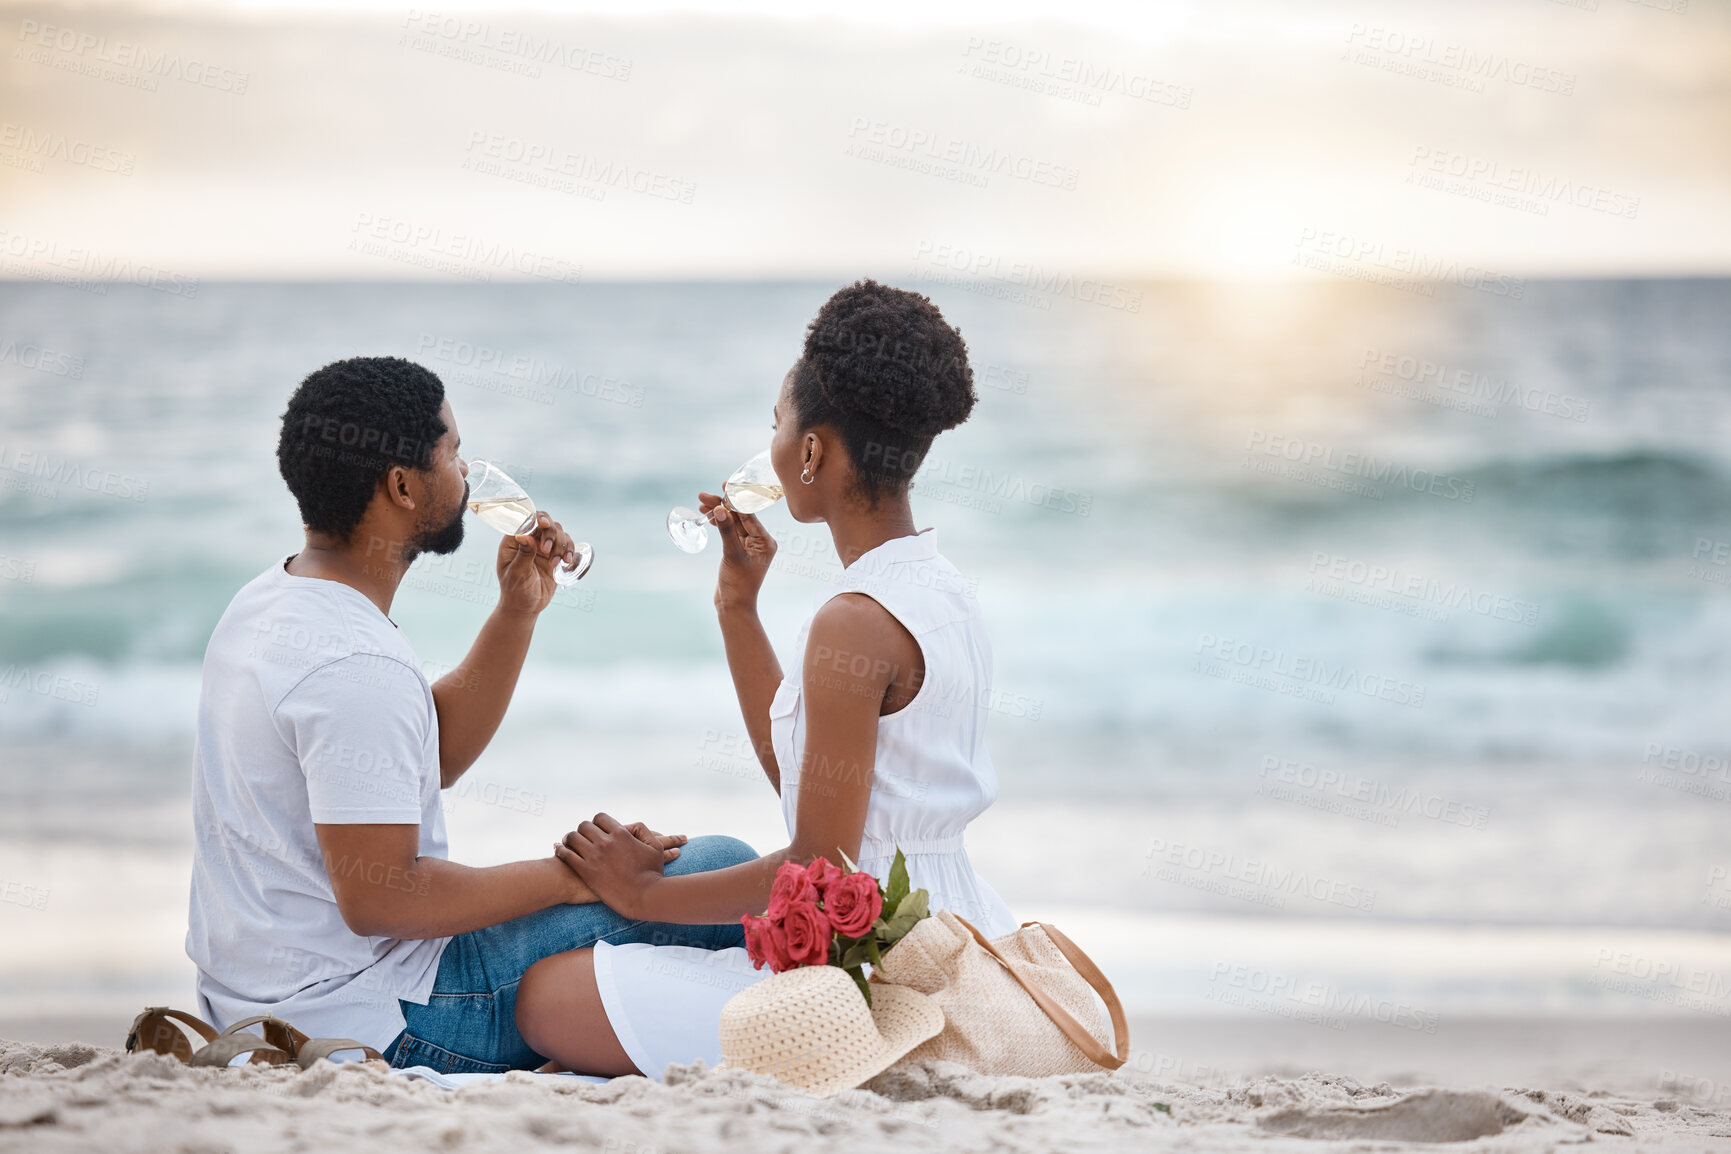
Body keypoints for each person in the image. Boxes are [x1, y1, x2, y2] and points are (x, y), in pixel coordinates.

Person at [185, 356, 756, 1074]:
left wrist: (516, 611)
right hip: (377, 1018)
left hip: (257, 999)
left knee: (694, 881)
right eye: (454, 453)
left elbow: (428, 758)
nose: (468, 473)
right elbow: (382, 899)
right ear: (401, 485)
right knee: (724, 870)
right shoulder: (355, 665)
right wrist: (578, 877)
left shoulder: (269, 602)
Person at [513, 280, 1014, 1077]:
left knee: (545, 997)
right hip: (955, 930)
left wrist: (640, 897)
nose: (774, 443)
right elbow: (810, 782)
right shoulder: (940, 587)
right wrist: (737, 606)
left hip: (872, 965)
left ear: (810, 451)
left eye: (777, 425)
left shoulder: (852, 618)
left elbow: (819, 864)